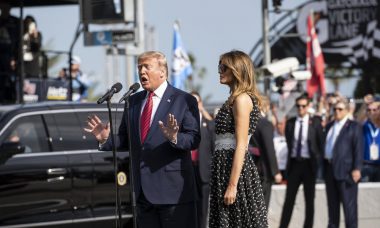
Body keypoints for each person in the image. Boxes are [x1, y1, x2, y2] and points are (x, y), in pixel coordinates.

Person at [85, 51, 201, 228]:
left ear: (162, 71)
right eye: (139, 67)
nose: (142, 71)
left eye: (147, 67)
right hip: (142, 194)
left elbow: (194, 139)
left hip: (173, 194)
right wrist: (105, 139)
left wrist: (175, 137)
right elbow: (126, 140)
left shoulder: (183, 100)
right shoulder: (133, 101)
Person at [208, 50, 268, 228]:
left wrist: (232, 185)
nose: (219, 71)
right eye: (219, 66)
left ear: (237, 70)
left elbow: (241, 144)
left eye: (223, 67)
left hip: (235, 173)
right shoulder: (232, 99)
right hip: (223, 169)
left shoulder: (242, 99)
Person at [279, 94, 324, 228]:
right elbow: (289, 141)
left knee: (309, 200)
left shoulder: (315, 122)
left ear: (308, 106)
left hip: (309, 165)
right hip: (294, 164)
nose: (300, 109)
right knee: (289, 199)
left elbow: (320, 143)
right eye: (298, 106)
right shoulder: (291, 123)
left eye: (303, 106)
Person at [324, 99, 363, 228]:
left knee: (349, 210)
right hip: (330, 170)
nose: (337, 112)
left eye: (340, 109)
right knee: (332, 210)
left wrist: (357, 168)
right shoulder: (329, 126)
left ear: (346, 110)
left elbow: (358, 148)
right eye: (335, 109)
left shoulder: (353, 126)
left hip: (346, 173)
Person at [250, 97, 282, 208]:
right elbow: (269, 149)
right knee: (261, 208)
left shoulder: (248, 122)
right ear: (265, 106)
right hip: (263, 171)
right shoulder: (265, 124)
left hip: (249, 169)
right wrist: (276, 171)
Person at [190, 91, 215, 228]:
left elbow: (215, 149)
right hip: (187, 172)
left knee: (203, 209)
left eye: (196, 102)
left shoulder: (208, 125)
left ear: (200, 104)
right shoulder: (181, 125)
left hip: (203, 172)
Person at [0, 2, 20, 103]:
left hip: (10, 56)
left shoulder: (15, 21)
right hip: (2, 55)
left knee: (10, 79)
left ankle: (11, 95)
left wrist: (15, 58)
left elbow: (18, 41)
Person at [362, 101, 380, 182]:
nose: (371, 112)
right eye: (369, 110)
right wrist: (364, 105)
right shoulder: (364, 124)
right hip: (366, 165)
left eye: (374, 110)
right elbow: (357, 119)